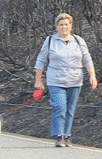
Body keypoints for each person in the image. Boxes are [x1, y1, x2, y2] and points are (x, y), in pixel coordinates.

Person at [34, 13, 97, 147]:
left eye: (66, 24)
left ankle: (67, 135)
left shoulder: (79, 41)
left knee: (70, 109)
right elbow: (41, 60)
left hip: (75, 80)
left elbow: (87, 58)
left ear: (71, 26)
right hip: (55, 80)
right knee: (60, 106)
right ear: (57, 26)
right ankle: (59, 136)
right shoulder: (50, 41)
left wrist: (92, 75)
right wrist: (38, 81)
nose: (64, 27)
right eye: (61, 25)